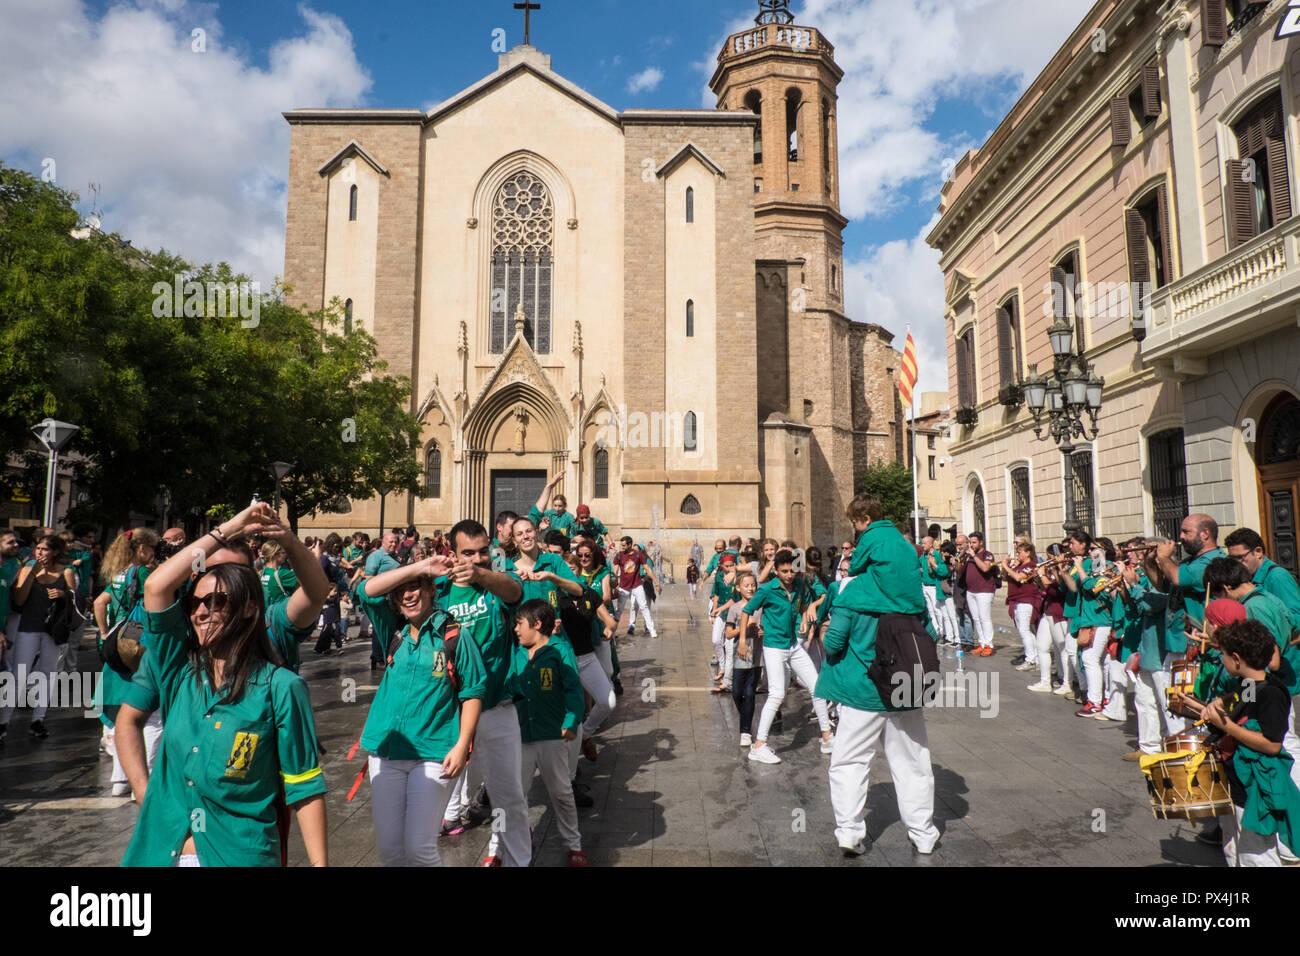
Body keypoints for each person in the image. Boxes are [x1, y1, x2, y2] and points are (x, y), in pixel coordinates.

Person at [119, 502, 328, 867]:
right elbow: (156, 588)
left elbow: (305, 787)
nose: (202, 611)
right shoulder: (178, 665)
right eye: (197, 600)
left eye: (219, 598)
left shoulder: (280, 681)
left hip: (239, 853)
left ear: (249, 600)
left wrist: (290, 542)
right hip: (164, 851)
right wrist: (146, 794)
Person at [815, 493, 941, 856]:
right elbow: (929, 635)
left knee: (851, 761)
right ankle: (923, 834)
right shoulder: (911, 593)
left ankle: (850, 833)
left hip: (862, 691)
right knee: (914, 763)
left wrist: (825, 633)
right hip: (904, 687)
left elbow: (835, 642)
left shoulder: (853, 589)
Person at [356, 550, 485, 867]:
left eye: (416, 587)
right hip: (386, 751)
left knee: (419, 849)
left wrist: (462, 744)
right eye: (401, 590)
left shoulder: (454, 635)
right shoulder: (393, 630)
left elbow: (473, 691)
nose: (408, 595)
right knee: (389, 852)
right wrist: (421, 566)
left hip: (433, 754)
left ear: (431, 590)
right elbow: (366, 590)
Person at [1184, 619, 1300, 866]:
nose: (1223, 660)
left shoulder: (1271, 693)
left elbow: (1271, 744)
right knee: (1236, 848)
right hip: (1238, 781)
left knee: (1256, 855)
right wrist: (1204, 708)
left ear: (1236, 659)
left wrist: (1227, 726)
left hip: (1257, 786)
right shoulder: (1248, 684)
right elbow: (1237, 710)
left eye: (1224, 655)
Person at [507, 599, 587, 867]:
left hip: (552, 735)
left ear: (537, 624)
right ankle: (516, 839)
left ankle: (573, 845)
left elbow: (573, 690)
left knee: (562, 793)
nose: (515, 629)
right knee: (516, 794)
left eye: (519, 624)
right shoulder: (513, 653)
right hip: (520, 735)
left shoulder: (559, 650)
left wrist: (571, 722)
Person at [743, 549, 833, 763]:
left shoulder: (800, 584)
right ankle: (758, 745)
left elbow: (813, 598)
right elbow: (747, 610)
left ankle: (827, 736)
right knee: (776, 694)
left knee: (817, 686)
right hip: (774, 647)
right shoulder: (767, 589)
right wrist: (742, 641)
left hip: (792, 645)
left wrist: (805, 613)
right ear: (775, 570)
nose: (788, 575)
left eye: (792, 571)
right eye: (784, 571)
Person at [93, 528, 162, 795]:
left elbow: (100, 603)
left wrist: (103, 634)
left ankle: (120, 778)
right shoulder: (143, 573)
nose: (155, 553)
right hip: (139, 644)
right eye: (153, 548)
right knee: (150, 715)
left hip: (118, 642)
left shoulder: (120, 573)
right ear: (142, 548)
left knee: (121, 712)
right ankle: (142, 781)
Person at [0, 535, 78, 739]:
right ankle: (3, 721)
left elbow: (75, 602)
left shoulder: (66, 572)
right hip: (29, 626)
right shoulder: (27, 569)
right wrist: (33, 573)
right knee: (19, 673)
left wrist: (64, 595)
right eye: (38, 548)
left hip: (53, 630)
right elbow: (19, 599)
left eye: (44, 549)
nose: (39, 552)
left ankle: (38, 720)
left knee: (48, 672)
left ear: (55, 552)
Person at [1225, 527, 1300, 630]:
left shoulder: (1277, 576)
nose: (1236, 564)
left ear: (1258, 552)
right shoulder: (1248, 577)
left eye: (1239, 558)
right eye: (1231, 559)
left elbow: (1296, 619)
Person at [727, 570, 762, 747]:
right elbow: (728, 634)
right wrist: (744, 628)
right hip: (740, 657)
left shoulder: (761, 607)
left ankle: (745, 731)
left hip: (756, 657)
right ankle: (746, 716)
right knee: (736, 693)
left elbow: (767, 628)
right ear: (739, 588)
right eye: (746, 585)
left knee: (749, 693)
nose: (750, 588)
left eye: (753, 585)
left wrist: (761, 631)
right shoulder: (734, 609)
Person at [1001, 542, 1041, 676]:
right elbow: (1005, 577)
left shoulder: (1031, 566)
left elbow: (1019, 578)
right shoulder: (1019, 566)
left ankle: (1032, 659)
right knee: (1023, 630)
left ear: (1028, 553)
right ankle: (1033, 657)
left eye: (1020, 552)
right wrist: (1005, 567)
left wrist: (1007, 566)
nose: (1017, 555)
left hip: (1026, 600)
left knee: (1025, 630)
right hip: (1016, 600)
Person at [614, 535, 659, 638]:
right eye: (621, 545)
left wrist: (656, 582)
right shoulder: (619, 555)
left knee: (644, 607)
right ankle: (613, 631)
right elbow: (615, 570)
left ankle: (652, 630)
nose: (622, 547)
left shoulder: (638, 555)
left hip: (636, 585)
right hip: (623, 587)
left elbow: (647, 568)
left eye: (624, 545)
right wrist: (614, 579)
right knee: (619, 609)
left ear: (630, 545)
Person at [961, 532, 998, 656]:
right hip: (971, 590)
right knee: (976, 618)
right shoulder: (969, 555)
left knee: (984, 618)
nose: (972, 545)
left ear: (981, 542)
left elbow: (985, 568)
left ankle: (989, 644)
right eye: (970, 542)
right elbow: (960, 570)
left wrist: (974, 556)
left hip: (984, 590)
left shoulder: (988, 555)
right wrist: (959, 559)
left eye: (974, 542)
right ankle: (982, 643)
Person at [530, 472, 577, 537]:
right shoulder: (547, 514)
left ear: (565, 505)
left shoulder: (569, 517)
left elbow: (574, 531)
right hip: (548, 541)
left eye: (560, 506)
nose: (557, 508)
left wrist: (569, 539)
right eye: (555, 505)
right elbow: (535, 519)